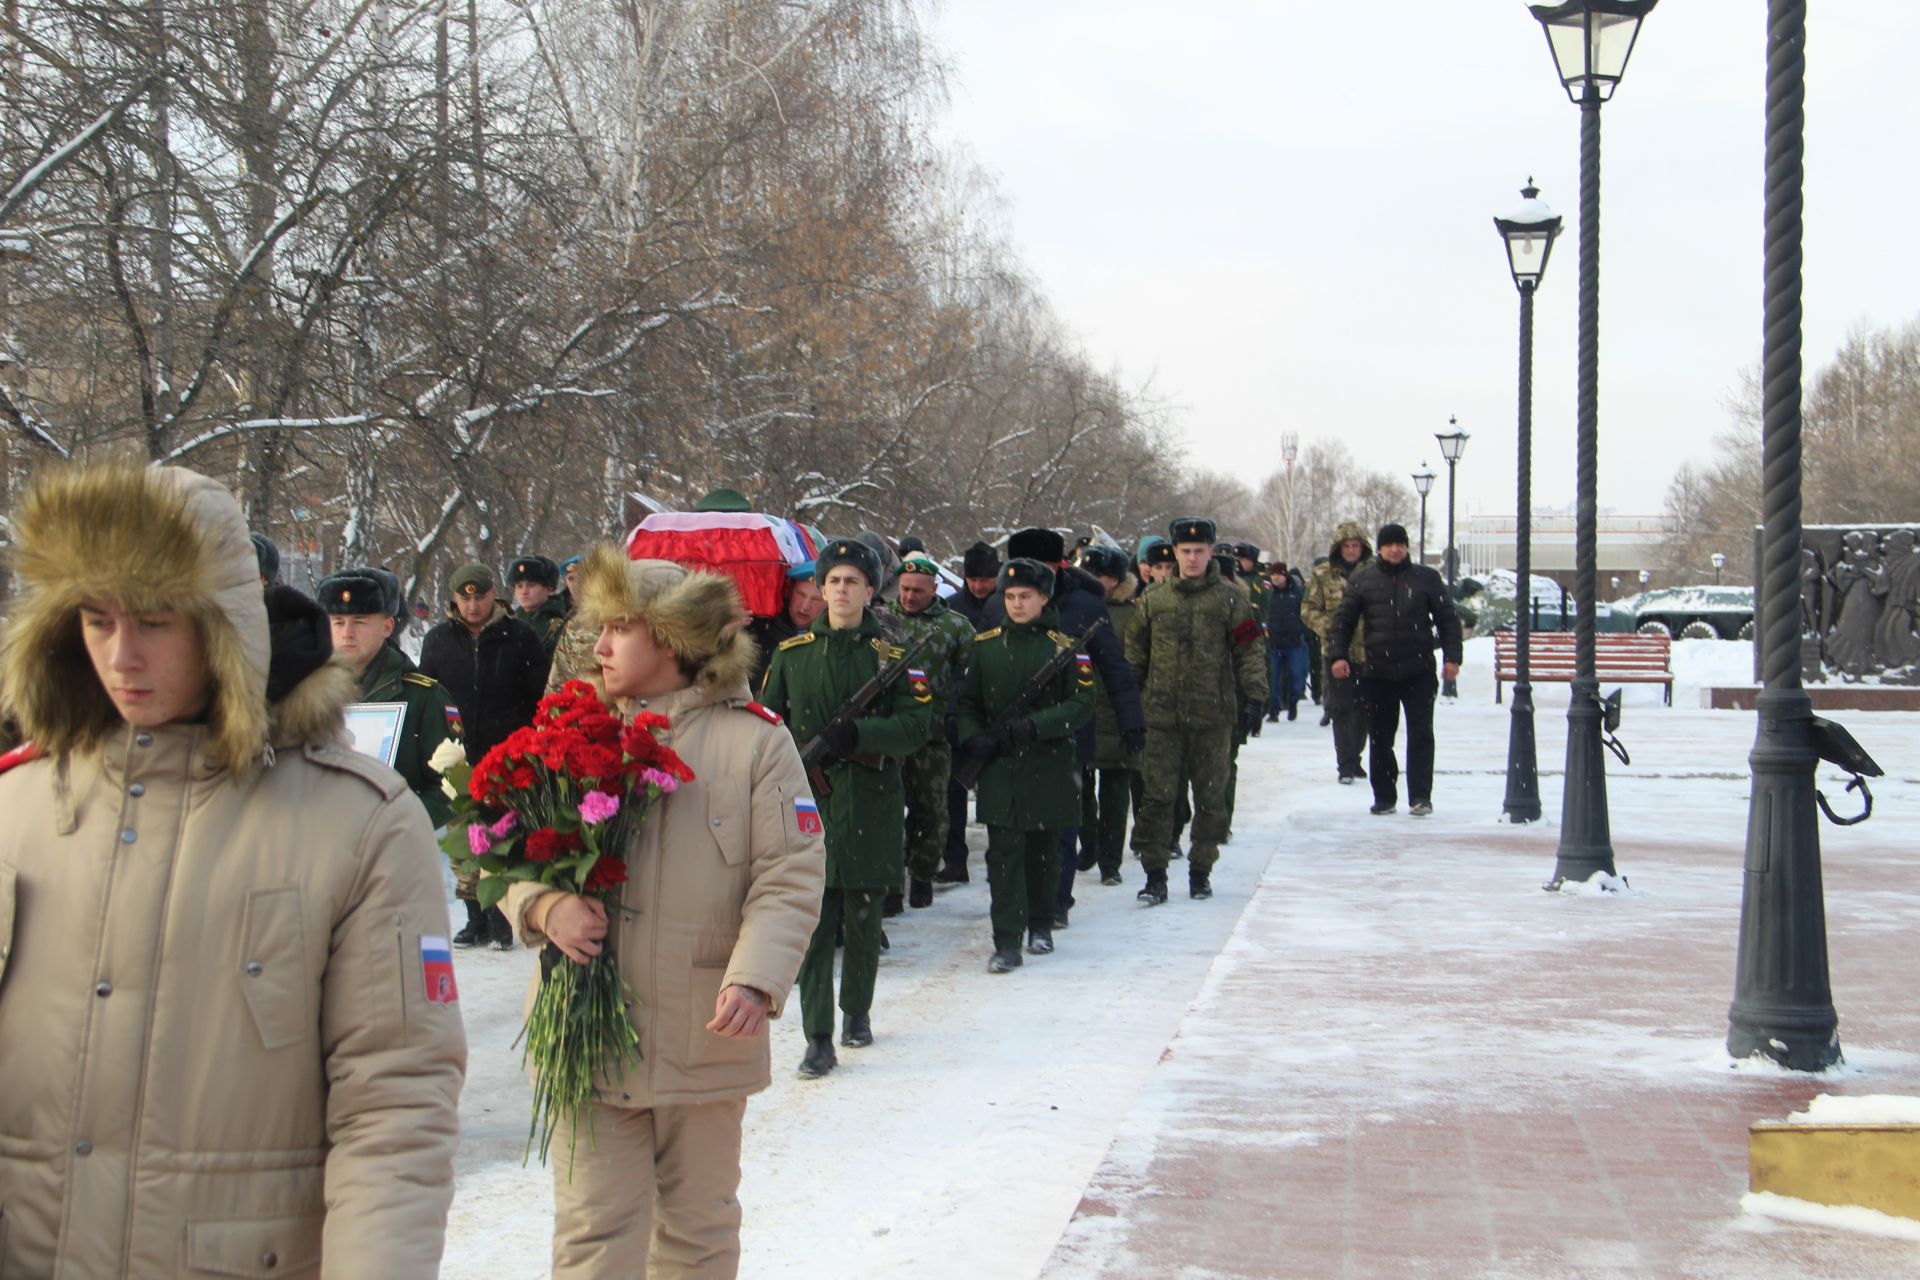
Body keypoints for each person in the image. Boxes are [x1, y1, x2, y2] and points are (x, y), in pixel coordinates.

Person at [0, 464, 465, 1276]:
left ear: (223, 626)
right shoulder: (20, 806)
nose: (122, 654)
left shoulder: (354, 820)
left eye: (153, 620)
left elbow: (394, 1104)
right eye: (96, 619)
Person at [505, 545, 824, 1279]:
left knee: (697, 1232)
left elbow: (790, 872)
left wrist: (756, 978)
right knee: (593, 1233)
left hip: (705, 1026)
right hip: (586, 1025)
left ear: (673, 637)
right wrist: (544, 906)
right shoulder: (566, 729)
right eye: (599, 627)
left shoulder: (756, 742)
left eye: (621, 627)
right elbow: (504, 857)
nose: (601, 644)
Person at [760, 539, 933, 1077]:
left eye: (851, 581)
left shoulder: (893, 658)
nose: (839, 590)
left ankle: (856, 1011)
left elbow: (917, 727)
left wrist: (860, 732)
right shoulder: (791, 656)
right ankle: (817, 1037)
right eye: (832, 581)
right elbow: (766, 727)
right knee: (812, 921)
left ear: (867, 590)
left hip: (870, 800)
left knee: (862, 915)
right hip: (808, 804)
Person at [983, 528, 1144, 928]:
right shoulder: (998, 606)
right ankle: (1016, 903)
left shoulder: (1085, 605)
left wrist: (1132, 721)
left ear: (1059, 566)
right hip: (1008, 735)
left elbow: (1114, 666)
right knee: (1010, 827)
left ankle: (1055, 902)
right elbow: (973, 671)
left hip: (1065, 732)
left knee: (1059, 823)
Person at [957, 557, 1095, 970]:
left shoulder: (1066, 647)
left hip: (1049, 764)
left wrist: (1037, 726)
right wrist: (973, 737)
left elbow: (1083, 703)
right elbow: (966, 702)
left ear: (1044, 598)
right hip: (1001, 767)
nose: (1017, 604)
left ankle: (1041, 923)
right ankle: (1006, 940)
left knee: (1043, 852)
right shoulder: (984, 647)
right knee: (1003, 855)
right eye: (1011, 596)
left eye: (1026, 596)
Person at [1126, 517, 1267, 904]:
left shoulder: (1230, 599)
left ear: (1210, 552)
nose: (1192, 559)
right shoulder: (1154, 600)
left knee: (1210, 797)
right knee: (1156, 798)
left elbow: (1250, 649)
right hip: (1160, 716)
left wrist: (1255, 696)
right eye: (1185, 552)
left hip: (1212, 716)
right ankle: (1154, 873)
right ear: (1174, 553)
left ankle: (1201, 869)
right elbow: (1135, 657)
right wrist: (1129, 708)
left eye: (1199, 551)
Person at [419, 561, 548, 947]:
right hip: (458, 756)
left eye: (480, 596)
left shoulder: (520, 636)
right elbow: (429, 695)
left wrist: (530, 744)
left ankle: (503, 915)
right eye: (465, 597)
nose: (473, 605)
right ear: (455, 599)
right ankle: (474, 916)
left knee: (504, 836)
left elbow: (538, 695)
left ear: (495, 595)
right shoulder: (439, 640)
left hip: (508, 753)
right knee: (466, 840)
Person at [1329, 523, 1463, 817]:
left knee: (1420, 734)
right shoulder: (1363, 580)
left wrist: (1452, 657)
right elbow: (1343, 621)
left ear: (1406, 547)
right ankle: (1384, 797)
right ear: (1379, 548)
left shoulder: (1426, 578)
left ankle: (1420, 796)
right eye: (1389, 544)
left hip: (1418, 670)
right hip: (1378, 671)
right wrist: (1338, 655)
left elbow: (1447, 619)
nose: (1395, 549)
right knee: (1380, 736)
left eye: (1399, 544)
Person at [318, 569, 460, 830]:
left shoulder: (423, 697)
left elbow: (450, 786)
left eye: (359, 621)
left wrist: (397, 822)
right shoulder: (306, 696)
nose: (347, 632)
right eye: (338, 622)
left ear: (387, 626)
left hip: (393, 852)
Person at [887, 553, 974, 910]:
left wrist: (957, 717)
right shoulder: (882, 619)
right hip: (889, 734)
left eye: (918, 591)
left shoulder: (956, 627)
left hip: (933, 736)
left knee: (932, 811)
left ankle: (921, 873)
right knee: (888, 811)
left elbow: (971, 680)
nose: (909, 596)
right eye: (905, 589)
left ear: (934, 589)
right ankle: (890, 885)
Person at [1078, 545, 1145, 886]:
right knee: (1081, 789)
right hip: (1083, 710)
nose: (1094, 582)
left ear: (1116, 580)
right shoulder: (1076, 608)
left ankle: (1110, 860)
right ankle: (1089, 845)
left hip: (1117, 713)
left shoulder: (1131, 615)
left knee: (1116, 794)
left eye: (1100, 577)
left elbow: (1137, 665)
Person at [938, 539, 1004, 883]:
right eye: (974, 578)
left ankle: (1000, 858)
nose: (980, 585)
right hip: (960, 710)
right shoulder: (951, 609)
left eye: (986, 578)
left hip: (999, 711)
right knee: (954, 790)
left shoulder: (1007, 605)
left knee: (997, 791)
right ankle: (954, 859)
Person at [1302, 522, 1373, 785]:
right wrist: (1330, 629)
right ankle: (1345, 763)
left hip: (1369, 651)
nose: (1351, 550)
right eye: (1347, 546)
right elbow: (1308, 608)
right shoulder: (1323, 574)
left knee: (1365, 709)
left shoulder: (1374, 572)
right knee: (1341, 708)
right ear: (1338, 548)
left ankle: (1355, 756)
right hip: (1335, 650)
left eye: (1356, 546)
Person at [748, 566, 826, 692]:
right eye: (800, 594)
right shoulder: (757, 629)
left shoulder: (830, 645)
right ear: (789, 592)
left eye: (816, 600)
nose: (805, 606)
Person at [1265, 561, 1310, 722]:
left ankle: (1293, 702)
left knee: (1297, 677)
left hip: (1294, 643)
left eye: (1278, 574)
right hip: (1274, 643)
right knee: (1273, 679)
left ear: (1285, 575)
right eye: (1273, 574)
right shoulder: (1268, 593)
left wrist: (1301, 631)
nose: (1275, 578)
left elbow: (1306, 615)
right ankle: (1274, 710)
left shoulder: (1297, 592)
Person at [510, 553, 571, 668]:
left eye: (531, 585)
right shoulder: (508, 622)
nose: (524, 591)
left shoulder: (562, 623)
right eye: (519, 586)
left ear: (549, 588)